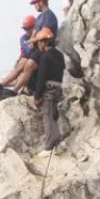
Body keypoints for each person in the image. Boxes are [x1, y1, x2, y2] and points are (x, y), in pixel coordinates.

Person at [0, 0, 58, 98]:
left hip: (45, 49)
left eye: (35, 3)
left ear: (41, 2)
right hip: (37, 49)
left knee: (28, 66)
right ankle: (0, 86)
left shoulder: (49, 16)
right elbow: (35, 34)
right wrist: (32, 41)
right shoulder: (39, 17)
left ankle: (14, 91)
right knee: (21, 64)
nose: (35, 6)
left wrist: (31, 41)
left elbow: (45, 34)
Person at [29, 27, 66, 155]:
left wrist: (37, 95)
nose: (39, 44)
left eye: (40, 42)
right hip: (59, 87)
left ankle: (50, 146)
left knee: (47, 116)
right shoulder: (59, 55)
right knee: (53, 114)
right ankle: (58, 141)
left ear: (45, 42)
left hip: (49, 89)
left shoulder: (45, 57)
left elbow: (42, 77)